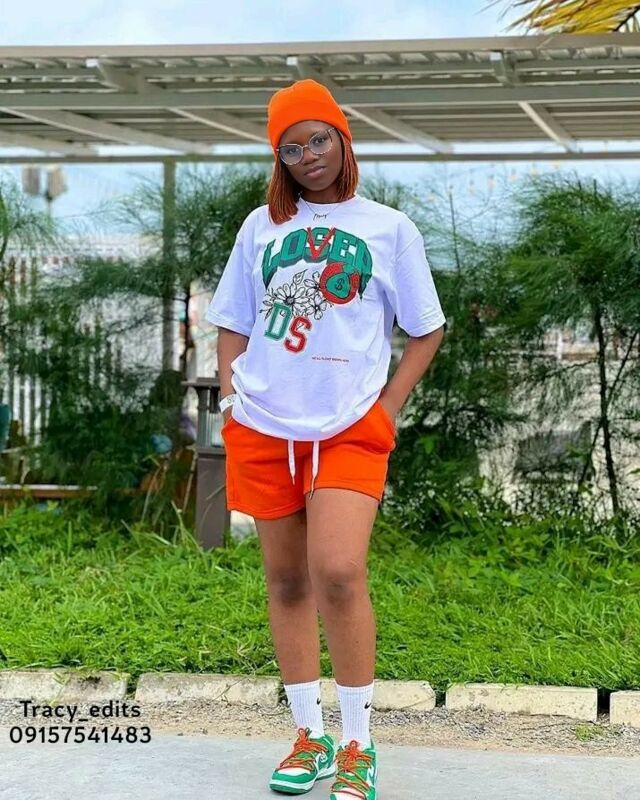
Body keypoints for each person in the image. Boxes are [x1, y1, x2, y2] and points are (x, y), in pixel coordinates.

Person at [205, 78, 446, 799]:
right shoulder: (260, 226)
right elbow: (233, 319)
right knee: (285, 581)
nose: (309, 155)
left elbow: (427, 329)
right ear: (278, 158)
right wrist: (231, 400)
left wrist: (388, 407)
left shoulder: (390, 228)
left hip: (348, 426)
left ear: (342, 138)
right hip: (263, 424)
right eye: (291, 147)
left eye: (319, 138)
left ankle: (358, 744)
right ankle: (308, 736)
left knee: (338, 571)